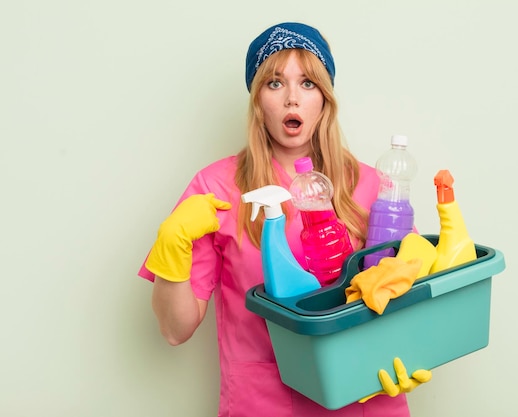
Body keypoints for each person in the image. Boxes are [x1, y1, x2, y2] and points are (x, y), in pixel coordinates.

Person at [138, 22, 431, 416]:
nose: (293, 98)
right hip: (263, 402)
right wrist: (171, 243)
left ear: (325, 99)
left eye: (308, 83)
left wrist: (413, 351)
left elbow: (415, 294)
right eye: (275, 83)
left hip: (363, 396)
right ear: (258, 99)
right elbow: (175, 330)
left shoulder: (372, 186)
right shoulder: (218, 188)